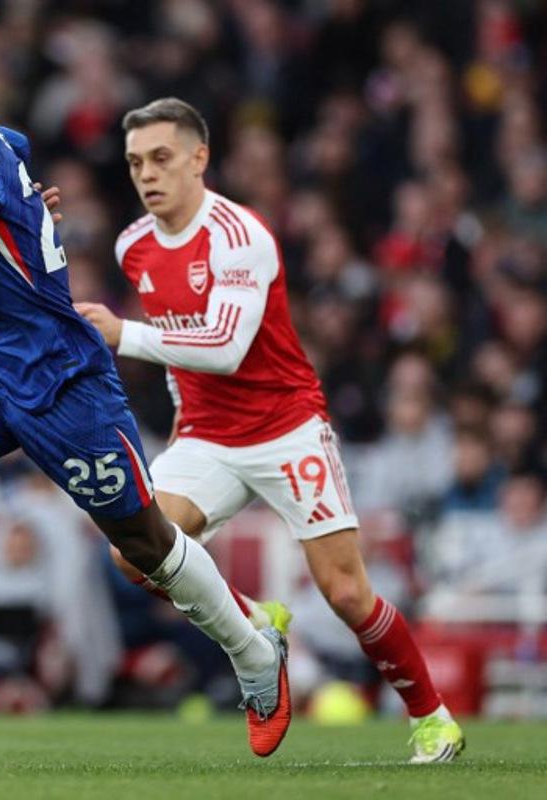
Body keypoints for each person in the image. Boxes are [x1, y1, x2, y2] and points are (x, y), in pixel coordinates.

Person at [0, 30, 290, 757]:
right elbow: (11, 144)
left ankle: (257, 656)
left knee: (145, 543)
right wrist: (26, 199)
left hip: (60, 382)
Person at [74, 98, 464, 764]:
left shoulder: (239, 234)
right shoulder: (133, 245)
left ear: (200, 158)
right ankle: (255, 622)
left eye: (162, 157)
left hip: (287, 427)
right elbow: (181, 350)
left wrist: (124, 334)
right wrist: (181, 418)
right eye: (136, 161)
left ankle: (433, 718)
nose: (147, 174)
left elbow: (225, 345)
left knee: (345, 591)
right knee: (130, 546)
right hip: (205, 433)